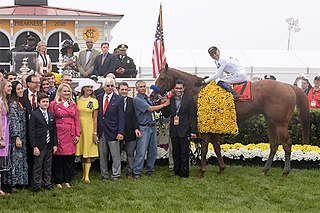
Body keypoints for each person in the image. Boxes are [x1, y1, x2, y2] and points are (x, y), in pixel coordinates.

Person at [132, 80, 170, 178]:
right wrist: (163, 105)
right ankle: (136, 172)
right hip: (143, 128)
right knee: (141, 152)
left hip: (152, 126)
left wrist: (160, 101)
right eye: (141, 87)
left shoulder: (146, 98)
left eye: (144, 86)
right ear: (136, 89)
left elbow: (153, 105)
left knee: (153, 151)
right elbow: (150, 109)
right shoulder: (137, 99)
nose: (143, 88)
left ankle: (150, 170)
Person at [161, 79, 197, 178]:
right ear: (174, 89)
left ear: (183, 89)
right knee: (175, 152)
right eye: (177, 88)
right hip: (174, 129)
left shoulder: (189, 99)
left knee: (184, 152)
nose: (178, 90)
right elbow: (166, 113)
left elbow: (192, 116)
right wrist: (163, 104)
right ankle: (177, 172)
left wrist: (193, 131)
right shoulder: (171, 99)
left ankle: (185, 173)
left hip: (185, 129)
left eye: (180, 88)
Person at [49, 83, 80, 188]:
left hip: (70, 133)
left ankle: (67, 179)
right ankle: (58, 181)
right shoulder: (54, 104)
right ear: (60, 92)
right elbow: (51, 121)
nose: (67, 93)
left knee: (69, 158)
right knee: (58, 158)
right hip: (59, 133)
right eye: (65, 91)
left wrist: (77, 134)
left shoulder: (73, 104)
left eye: (68, 91)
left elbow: (76, 120)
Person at [96, 77, 125, 181]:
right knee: (102, 154)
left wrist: (120, 132)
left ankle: (116, 174)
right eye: (108, 85)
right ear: (104, 87)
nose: (110, 88)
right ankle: (104, 174)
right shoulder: (98, 98)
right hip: (101, 130)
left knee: (115, 154)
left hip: (113, 130)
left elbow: (121, 117)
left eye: (112, 85)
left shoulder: (119, 99)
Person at [29, 93, 58, 192]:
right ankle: (36, 184)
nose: (45, 103)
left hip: (49, 143)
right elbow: (31, 131)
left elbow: (54, 130)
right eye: (43, 102)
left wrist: (55, 144)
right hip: (39, 144)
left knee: (48, 165)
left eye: (47, 102)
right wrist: (34, 146)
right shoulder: (34, 114)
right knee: (38, 165)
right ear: (39, 103)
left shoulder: (51, 114)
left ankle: (47, 183)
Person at [3, 81, 28, 192]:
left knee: (20, 159)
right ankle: (13, 183)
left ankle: (20, 182)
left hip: (22, 134)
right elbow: (14, 121)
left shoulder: (19, 102)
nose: (21, 91)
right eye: (18, 89)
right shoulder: (13, 104)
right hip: (15, 136)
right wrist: (17, 136)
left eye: (21, 88)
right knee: (15, 160)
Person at [75, 79, 100, 183]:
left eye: (91, 87)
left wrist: (94, 132)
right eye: (87, 87)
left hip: (89, 127)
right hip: (78, 126)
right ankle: (82, 174)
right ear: (83, 88)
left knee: (88, 151)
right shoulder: (77, 99)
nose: (89, 89)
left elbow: (95, 118)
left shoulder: (94, 101)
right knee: (81, 151)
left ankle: (86, 176)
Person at [117, 82, 142, 179]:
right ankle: (117, 172)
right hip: (117, 132)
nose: (123, 91)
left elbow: (134, 117)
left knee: (130, 153)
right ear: (118, 90)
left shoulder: (132, 101)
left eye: (125, 89)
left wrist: (136, 128)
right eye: (122, 89)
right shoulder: (115, 101)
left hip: (130, 131)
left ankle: (130, 172)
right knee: (116, 153)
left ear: (128, 90)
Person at [20, 74, 40, 186]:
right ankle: (27, 180)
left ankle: (36, 180)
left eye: (39, 82)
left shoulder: (42, 96)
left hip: (39, 132)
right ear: (28, 84)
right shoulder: (22, 96)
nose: (38, 84)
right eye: (35, 82)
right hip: (26, 131)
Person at [0, 80, 12, 196]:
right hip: (1, 134)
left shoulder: (4, 101)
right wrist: (1, 138)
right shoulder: (0, 102)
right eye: (8, 86)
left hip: (5, 132)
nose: (10, 88)